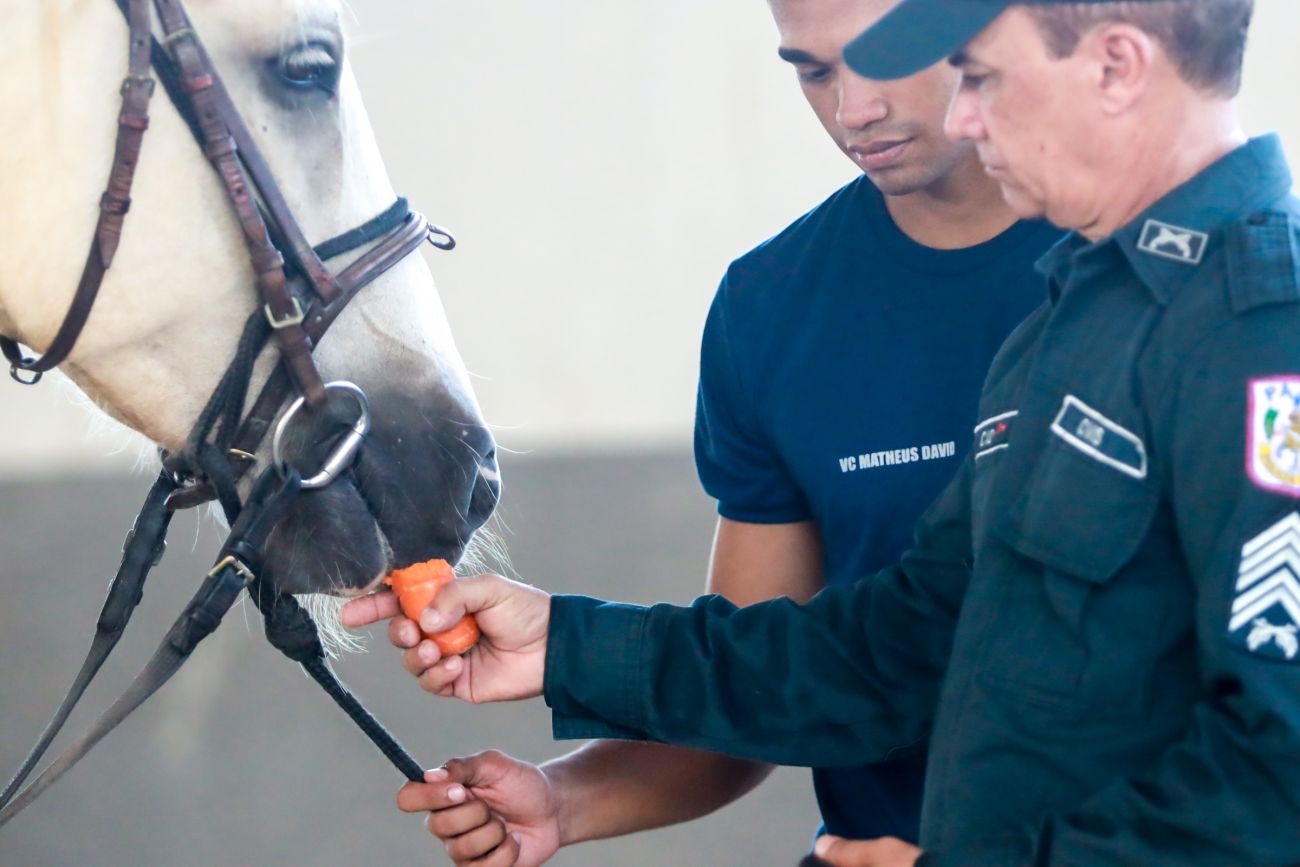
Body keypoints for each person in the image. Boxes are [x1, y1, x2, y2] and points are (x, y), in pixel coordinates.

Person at [348, 0, 1300, 863]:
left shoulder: (1266, 330)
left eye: (981, 74)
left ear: (1117, 66)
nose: (965, 117)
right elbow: (894, 648)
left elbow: (1278, 769)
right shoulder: (1077, 316)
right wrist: (567, 643)